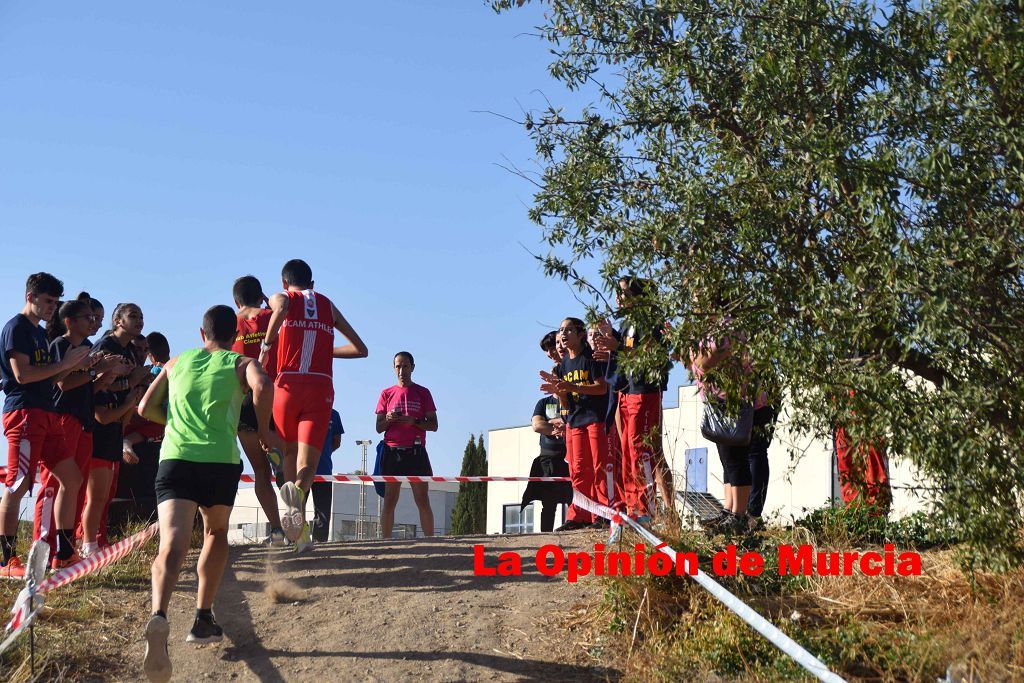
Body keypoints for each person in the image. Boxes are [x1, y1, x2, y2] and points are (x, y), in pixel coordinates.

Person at [138, 305, 273, 683]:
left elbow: (145, 407)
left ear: (202, 333)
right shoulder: (238, 362)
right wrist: (262, 430)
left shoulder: (176, 362)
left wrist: (176, 421)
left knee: (172, 543)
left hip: (176, 458)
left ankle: (159, 615)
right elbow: (263, 385)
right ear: (235, 334)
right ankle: (202, 617)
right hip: (218, 459)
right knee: (214, 533)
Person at [258, 259, 367, 550]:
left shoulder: (283, 296)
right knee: (309, 466)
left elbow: (279, 308)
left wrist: (266, 349)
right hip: (320, 388)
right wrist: (323, 348)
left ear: (284, 282)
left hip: (287, 386)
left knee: (289, 456)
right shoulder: (327, 305)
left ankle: (298, 530)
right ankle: (299, 508)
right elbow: (360, 349)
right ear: (313, 284)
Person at [0, 273, 93, 578]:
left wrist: (77, 368)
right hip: (25, 413)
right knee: (18, 484)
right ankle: (6, 559)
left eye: (56, 302)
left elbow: (51, 377)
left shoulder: (39, 333)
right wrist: (66, 364)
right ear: (30, 296)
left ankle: (64, 554)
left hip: (47, 413)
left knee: (73, 478)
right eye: (48, 301)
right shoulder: (17, 328)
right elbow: (22, 375)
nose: (53, 307)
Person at [34, 298, 127, 565]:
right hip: (63, 420)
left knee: (77, 486)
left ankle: (67, 548)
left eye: (95, 318)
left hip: (84, 422)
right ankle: (45, 546)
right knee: (54, 485)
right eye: (88, 317)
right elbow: (63, 384)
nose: (94, 322)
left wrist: (105, 377)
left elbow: (88, 388)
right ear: (69, 321)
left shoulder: (86, 347)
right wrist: (96, 371)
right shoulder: (60, 345)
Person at [592, 276, 674, 524]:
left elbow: (652, 356)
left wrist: (617, 346)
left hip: (645, 392)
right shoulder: (628, 322)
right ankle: (633, 508)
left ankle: (647, 510)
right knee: (627, 452)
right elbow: (627, 353)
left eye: (624, 292)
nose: (618, 297)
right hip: (627, 391)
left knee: (643, 452)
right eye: (618, 292)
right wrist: (611, 349)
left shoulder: (652, 321)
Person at [689, 327, 776, 532]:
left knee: (747, 457)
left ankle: (745, 514)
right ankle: (729, 510)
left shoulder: (727, 328)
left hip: (749, 403)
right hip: (725, 403)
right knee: (728, 459)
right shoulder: (709, 330)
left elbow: (704, 363)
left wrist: (690, 351)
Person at [81, 303, 151, 556]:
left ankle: (100, 541)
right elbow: (96, 387)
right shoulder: (104, 347)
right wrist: (131, 383)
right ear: (117, 320)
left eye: (141, 315)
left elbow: (131, 389)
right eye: (133, 315)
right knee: (95, 494)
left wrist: (137, 387)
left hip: (116, 427)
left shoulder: (130, 351)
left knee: (107, 494)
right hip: (97, 428)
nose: (140, 320)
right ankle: (88, 545)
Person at [539, 317, 611, 530]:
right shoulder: (563, 367)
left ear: (580, 334)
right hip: (575, 421)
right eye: (561, 330)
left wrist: (573, 387)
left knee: (599, 467)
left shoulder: (591, 358)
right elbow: (566, 402)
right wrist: (560, 392)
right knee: (578, 470)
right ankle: (579, 515)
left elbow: (601, 388)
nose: (563, 334)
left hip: (596, 419)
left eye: (568, 330)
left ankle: (603, 513)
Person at [231, 275, 287, 545]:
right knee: (286, 469)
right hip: (275, 394)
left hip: (244, 399)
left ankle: (276, 531)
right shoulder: (271, 316)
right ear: (261, 295)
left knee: (260, 471)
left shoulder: (230, 322)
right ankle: (298, 527)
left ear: (235, 300)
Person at [375, 352, 437, 538]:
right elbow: (378, 427)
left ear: (412, 367)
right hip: (392, 451)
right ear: (394, 368)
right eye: (398, 366)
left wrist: (415, 422)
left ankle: (431, 542)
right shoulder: (386, 393)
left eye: (405, 366)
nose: (401, 371)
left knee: (422, 499)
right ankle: (385, 544)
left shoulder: (423, 392)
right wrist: (388, 419)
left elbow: (434, 425)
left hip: (416, 451)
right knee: (389, 501)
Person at [520, 332, 572, 532]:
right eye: (549, 351)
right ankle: (545, 536)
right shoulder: (544, 402)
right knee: (547, 502)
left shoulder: (573, 388)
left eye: (555, 348)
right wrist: (557, 426)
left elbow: (575, 419)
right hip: (548, 459)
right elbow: (537, 425)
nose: (552, 353)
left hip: (569, 455)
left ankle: (575, 526)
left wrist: (564, 425)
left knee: (573, 498)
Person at [311, 409, 343, 543]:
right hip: (300, 470)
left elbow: (337, 442)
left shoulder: (334, 414)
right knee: (296, 509)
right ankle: (295, 541)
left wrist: (324, 453)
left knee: (323, 513)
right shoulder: (300, 408)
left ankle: (319, 544)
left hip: (324, 470)